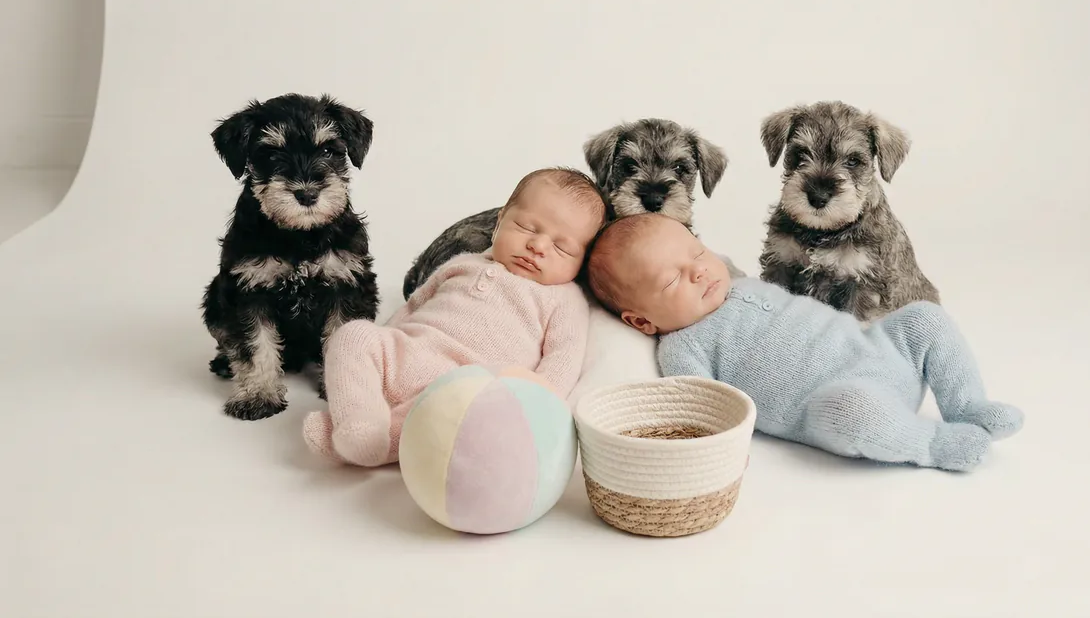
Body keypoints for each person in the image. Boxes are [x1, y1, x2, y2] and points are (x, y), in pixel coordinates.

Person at [585, 213, 1024, 472]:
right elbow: (708, 413)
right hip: (840, 401)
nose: (699, 271)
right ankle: (930, 443)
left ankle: (967, 405)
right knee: (852, 411)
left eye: (697, 253)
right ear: (641, 320)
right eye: (671, 278)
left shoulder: (733, 280)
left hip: (880, 347)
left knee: (925, 318)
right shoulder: (682, 347)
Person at [304, 167, 606, 467]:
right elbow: (413, 306)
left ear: (582, 262)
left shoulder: (564, 299)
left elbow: (562, 362)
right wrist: (379, 354)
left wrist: (529, 407)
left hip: (462, 384)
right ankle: (361, 414)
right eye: (527, 228)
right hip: (406, 351)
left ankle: (373, 441)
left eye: (561, 247)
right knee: (353, 334)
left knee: (444, 415)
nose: (537, 246)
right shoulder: (462, 262)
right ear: (500, 220)